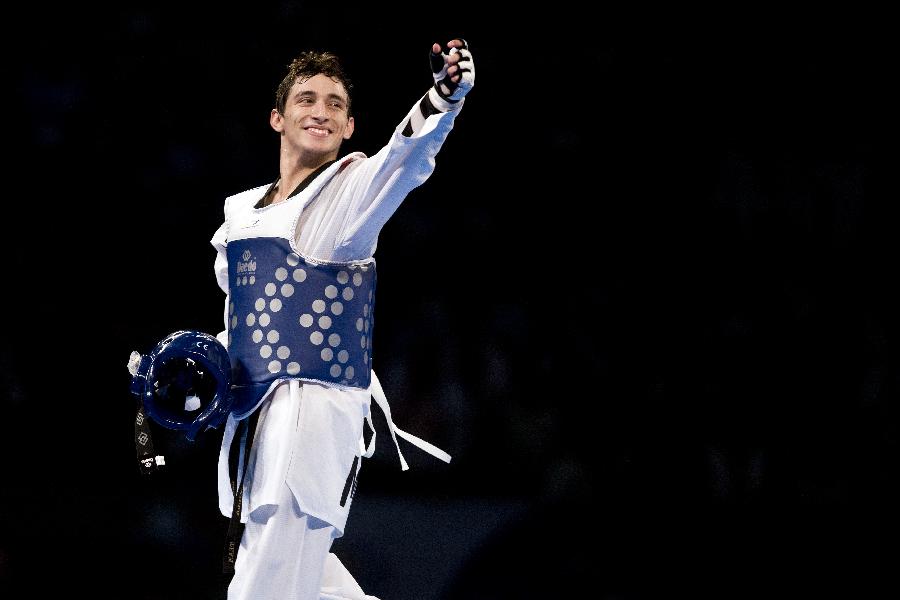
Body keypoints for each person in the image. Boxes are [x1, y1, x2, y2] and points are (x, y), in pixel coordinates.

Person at [208, 38, 475, 600]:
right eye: (307, 99)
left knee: (262, 587)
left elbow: (401, 163)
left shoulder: (347, 194)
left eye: (335, 104)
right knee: (311, 584)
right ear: (278, 118)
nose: (321, 111)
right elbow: (242, 322)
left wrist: (441, 101)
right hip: (257, 425)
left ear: (350, 127)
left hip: (310, 421)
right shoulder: (240, 215)